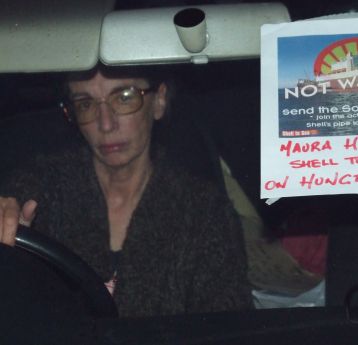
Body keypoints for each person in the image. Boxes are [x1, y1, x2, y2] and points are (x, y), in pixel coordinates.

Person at [0, 65, 253, 317]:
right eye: (86, 103)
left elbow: (225, 327)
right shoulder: (39, 189)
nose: (106, 124)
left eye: (124, 98)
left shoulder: (205, 212)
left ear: (159, 101)